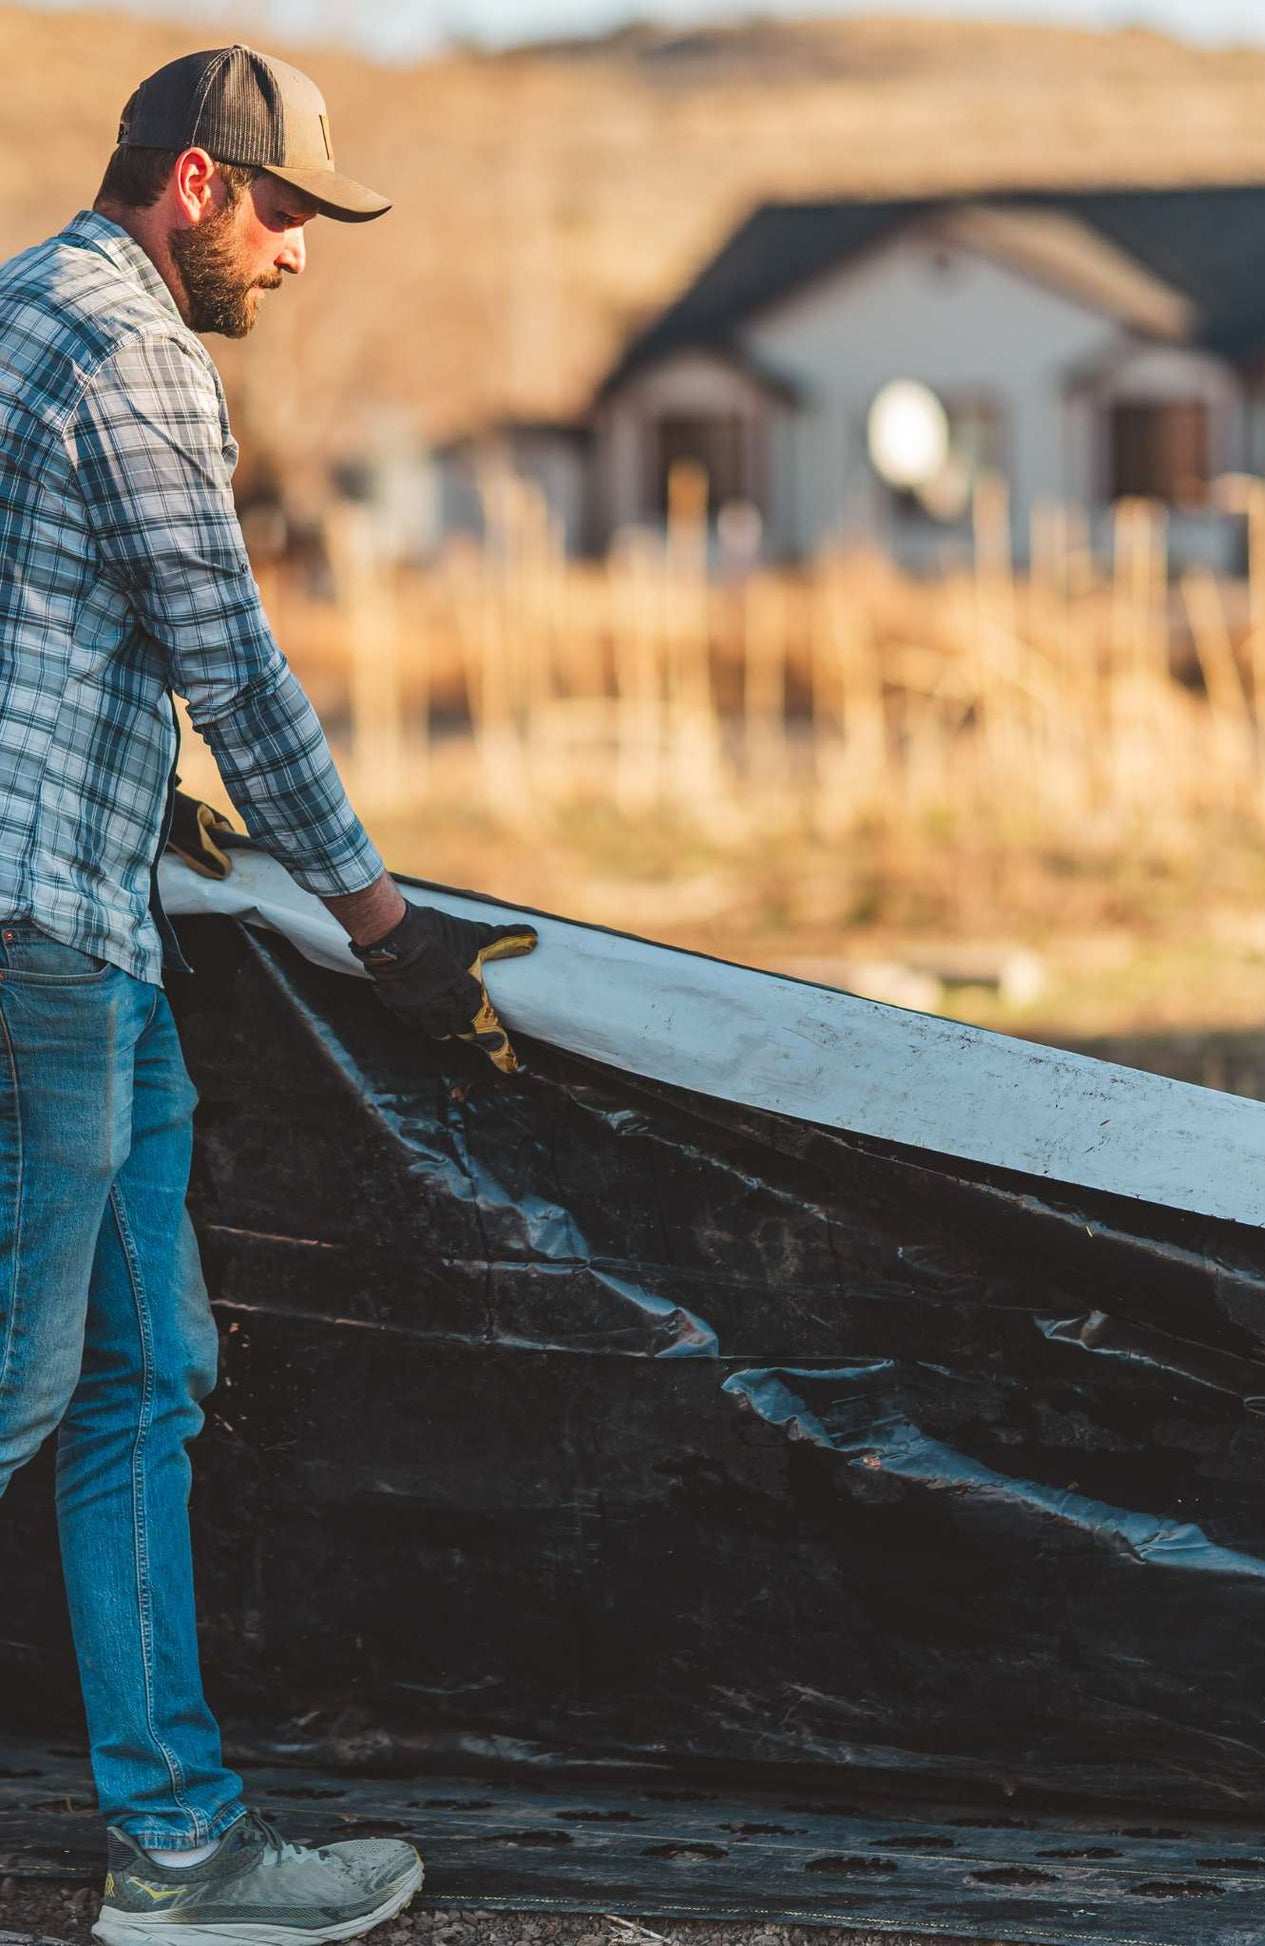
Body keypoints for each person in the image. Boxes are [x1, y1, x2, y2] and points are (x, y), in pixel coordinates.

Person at [0, 44, 538, 1946]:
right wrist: (388, 926)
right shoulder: (129, 345)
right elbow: (231, 654)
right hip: (32, 939)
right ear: (199, 189)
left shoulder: (17, 315)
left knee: (149, 1372)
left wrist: (150, 784)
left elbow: (58, 634)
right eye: (292, 209)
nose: (305, 253)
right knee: (17, 1378)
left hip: (91, 918)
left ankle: (177, 1856)